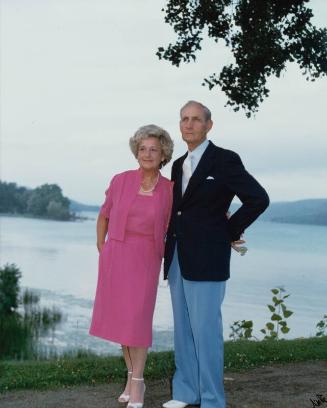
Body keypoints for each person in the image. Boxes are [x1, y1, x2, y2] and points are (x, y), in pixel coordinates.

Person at [162, 101, 269, 408]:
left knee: (206, 330)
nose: (189, 124)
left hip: (209, 258)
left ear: (209, 125)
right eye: (184, 119)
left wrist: (229, 231)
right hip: (178, 256)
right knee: (183, 328)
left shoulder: (224, 159)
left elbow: (257, 199)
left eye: (196, 119)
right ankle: (185, 392)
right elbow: (178, 211)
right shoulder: (177, 163)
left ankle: (211, 399)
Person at [89, 124, 174, 408]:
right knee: (121, 321)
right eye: (142, 149)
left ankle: (138, 385)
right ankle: (132, 378)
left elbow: (189, 218)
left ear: (163, 154)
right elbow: (103, 217)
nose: (147, 154)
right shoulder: (120, 180)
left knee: (137, 320)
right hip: (117, 255)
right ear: (135, 152)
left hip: (147, 258)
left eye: (153, 149)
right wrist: (104, 249)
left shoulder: (170, 189)